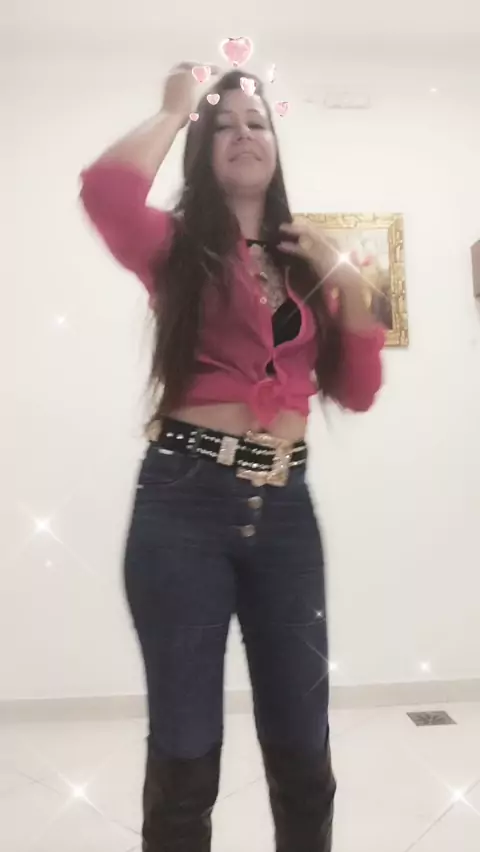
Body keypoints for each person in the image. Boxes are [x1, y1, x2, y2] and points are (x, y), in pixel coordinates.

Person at [80, 62, 384, 852]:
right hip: (182, 503)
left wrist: (346, 282)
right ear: (202, 149)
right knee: (185, 751)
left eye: (257, 123)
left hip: (285, 511)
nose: (245, 134)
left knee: (304, 744)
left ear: (276, 146)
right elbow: (106, 193)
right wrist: (174, 110)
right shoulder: (177, 248)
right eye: (225, 125)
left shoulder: (307, 265)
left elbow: (358, 391)